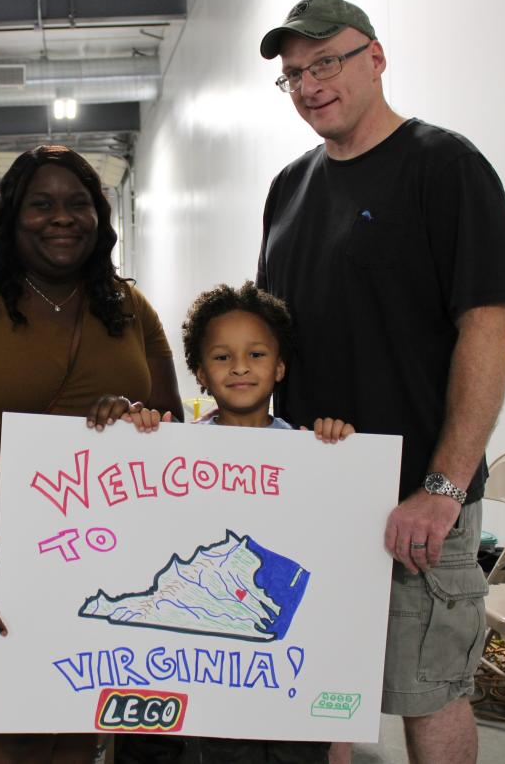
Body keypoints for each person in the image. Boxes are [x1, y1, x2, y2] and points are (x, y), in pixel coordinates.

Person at [257, 0, 505, 763]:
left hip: (418, 506)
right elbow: (273, 344)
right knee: (318, 690)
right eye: (293, 75)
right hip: (316, 498)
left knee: (429, 694)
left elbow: (490, 326)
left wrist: (443, 488)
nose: (310, 84)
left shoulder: (446, 167)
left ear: (375, 57)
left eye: (326, 62)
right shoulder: (287, 189)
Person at [0, 144, 183, 763]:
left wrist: (136, 418)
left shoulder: (129, 308)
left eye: (77, 204)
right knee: (22, 723)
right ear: (11, 216)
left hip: (108, 552)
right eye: (42, 205)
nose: (62, 217)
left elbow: (172, 425)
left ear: (99, 217)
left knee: (85, 720)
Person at [106, 281, 353, 764]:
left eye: (256, 353)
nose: (240, 366)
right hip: (201, 681)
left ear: (280, 367)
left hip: (283, 679)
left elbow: (336, 544)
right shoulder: (171, 454)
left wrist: (342, 451)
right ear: (199, 372)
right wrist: (129, 439)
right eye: (221, 357)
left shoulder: (313, 453)